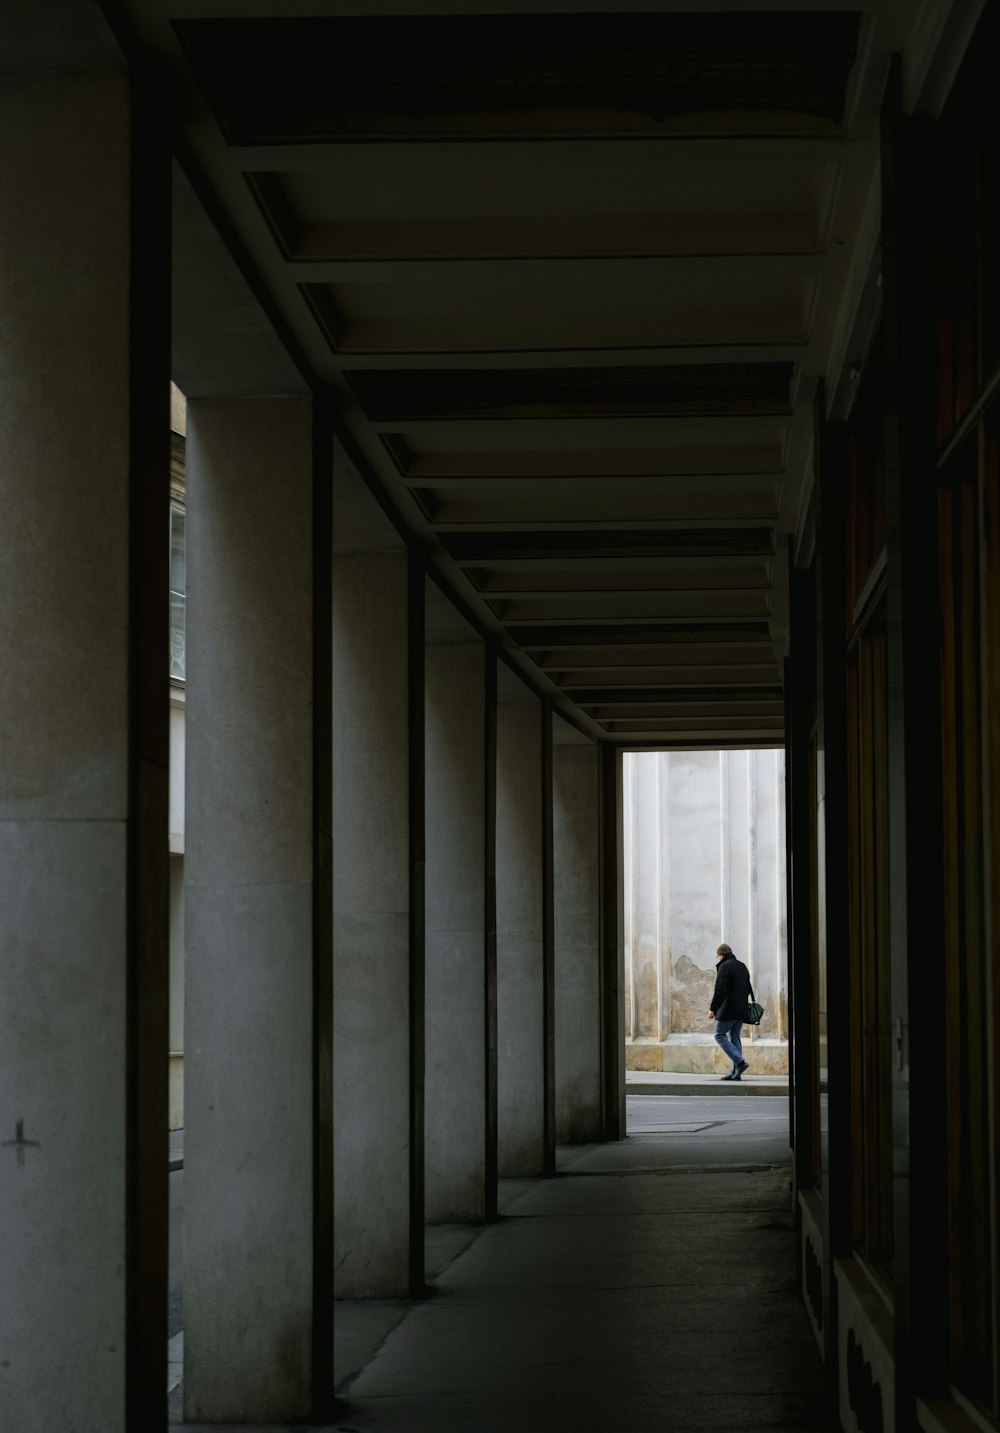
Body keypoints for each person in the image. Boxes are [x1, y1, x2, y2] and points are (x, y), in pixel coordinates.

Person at [709, 942, 751, 1081]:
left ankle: (740, 1062)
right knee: (734, 1037)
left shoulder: (725, 966)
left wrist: (713, 1008)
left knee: (719, 1035)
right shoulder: (742, 966)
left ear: (721, 955)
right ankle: (735, 1072)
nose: (718, 959)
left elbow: (720, 990)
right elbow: (748, 987)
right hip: (741, 1009)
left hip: (728, 1009)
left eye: (718, 956)